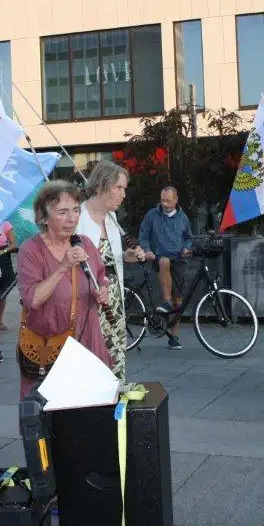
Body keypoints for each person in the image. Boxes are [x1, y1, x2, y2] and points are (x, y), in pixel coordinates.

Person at [17, 181, 111, 398]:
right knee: (53, 419)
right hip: (51, 346)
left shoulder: (85, 244)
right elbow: (33, 299)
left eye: (76, 210)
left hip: (88, 341)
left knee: (91, 412)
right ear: (44, 217)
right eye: (63, 212)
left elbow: (100, 279)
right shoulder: (31, 250)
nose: (72, 218)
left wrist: (102, 292)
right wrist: (63, 268)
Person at [77, 161, 146, 381]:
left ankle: (114, 401)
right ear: (100, 186)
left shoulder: (112, 218)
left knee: (116, 351)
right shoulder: (78, 218)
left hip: (114, 297)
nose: (123, 194)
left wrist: (127, 256)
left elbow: (108, 258)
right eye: (119, 187)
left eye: (124, 188)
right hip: (90, 299)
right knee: (93, 355)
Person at [138, 186, 194, 350]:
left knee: (179, 300)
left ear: (176, 200)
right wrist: (147, 250)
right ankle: (166, 301)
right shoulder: (152, 215)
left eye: (168, 200)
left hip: (179, 260)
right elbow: (143, 235)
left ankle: (174, 337)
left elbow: (188, 238)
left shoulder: (183, 218)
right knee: (164, 261)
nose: (165, 204)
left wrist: (186, 248)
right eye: (162, 200)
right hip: (159, 258)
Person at [0, 221, 18, 321]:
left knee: (2, 291)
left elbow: (13, 245)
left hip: (2, 257)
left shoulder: (5, 224)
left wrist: (2, 251)